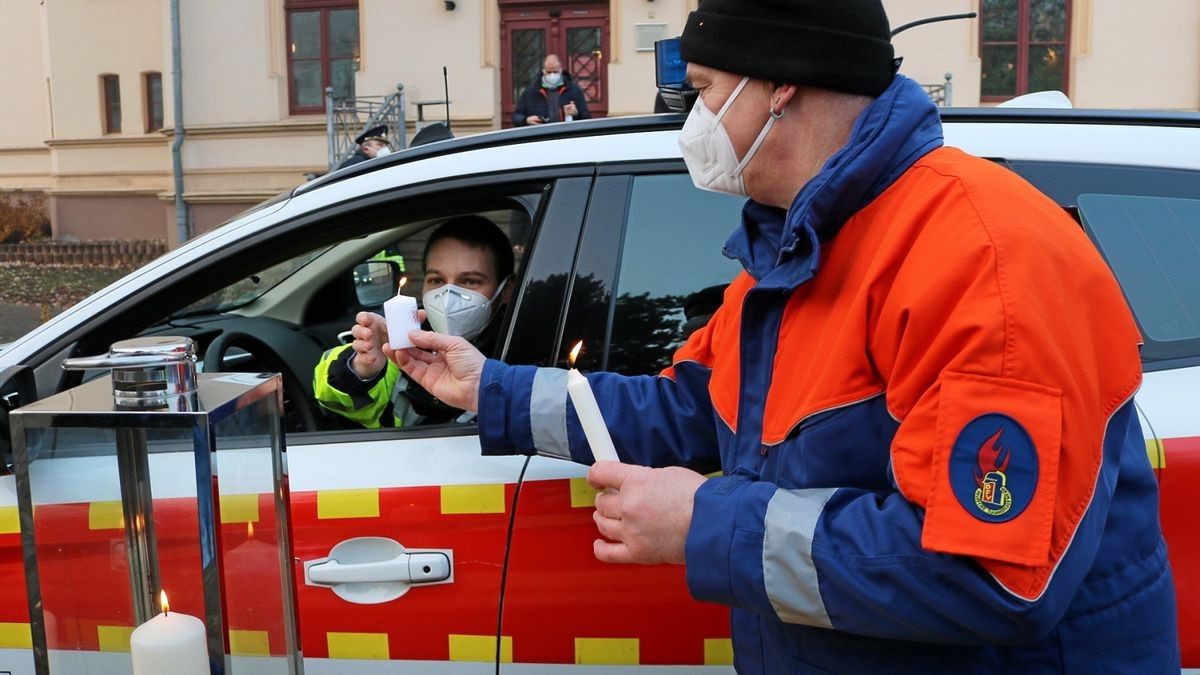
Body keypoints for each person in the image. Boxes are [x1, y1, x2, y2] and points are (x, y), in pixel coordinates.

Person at [386, 1, 1179, 672]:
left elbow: (988, 574)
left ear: (779, 86)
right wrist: (488, 386)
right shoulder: (802, 246)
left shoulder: (986, 259)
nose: (691, 122)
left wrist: (705, 523)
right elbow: (691, 410)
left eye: (702, 92)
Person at [313, 215, 513, 428]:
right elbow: (336, 403)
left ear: (507, 289)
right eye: (437, 280)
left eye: (470, 281)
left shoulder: (527, 352)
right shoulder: (404, 343)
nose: (447, 298)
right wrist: (362, 368)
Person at [512, 54, 591, 126]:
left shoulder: (574, 90)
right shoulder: (531, 91)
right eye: (549, 72)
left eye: (555, 72)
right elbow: (516, 117)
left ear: (561, 70)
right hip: (539, 137)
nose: (552, 75)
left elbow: (587, 117)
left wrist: (576, 113)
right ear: (543, 71)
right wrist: (526, 120)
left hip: (566, 136)